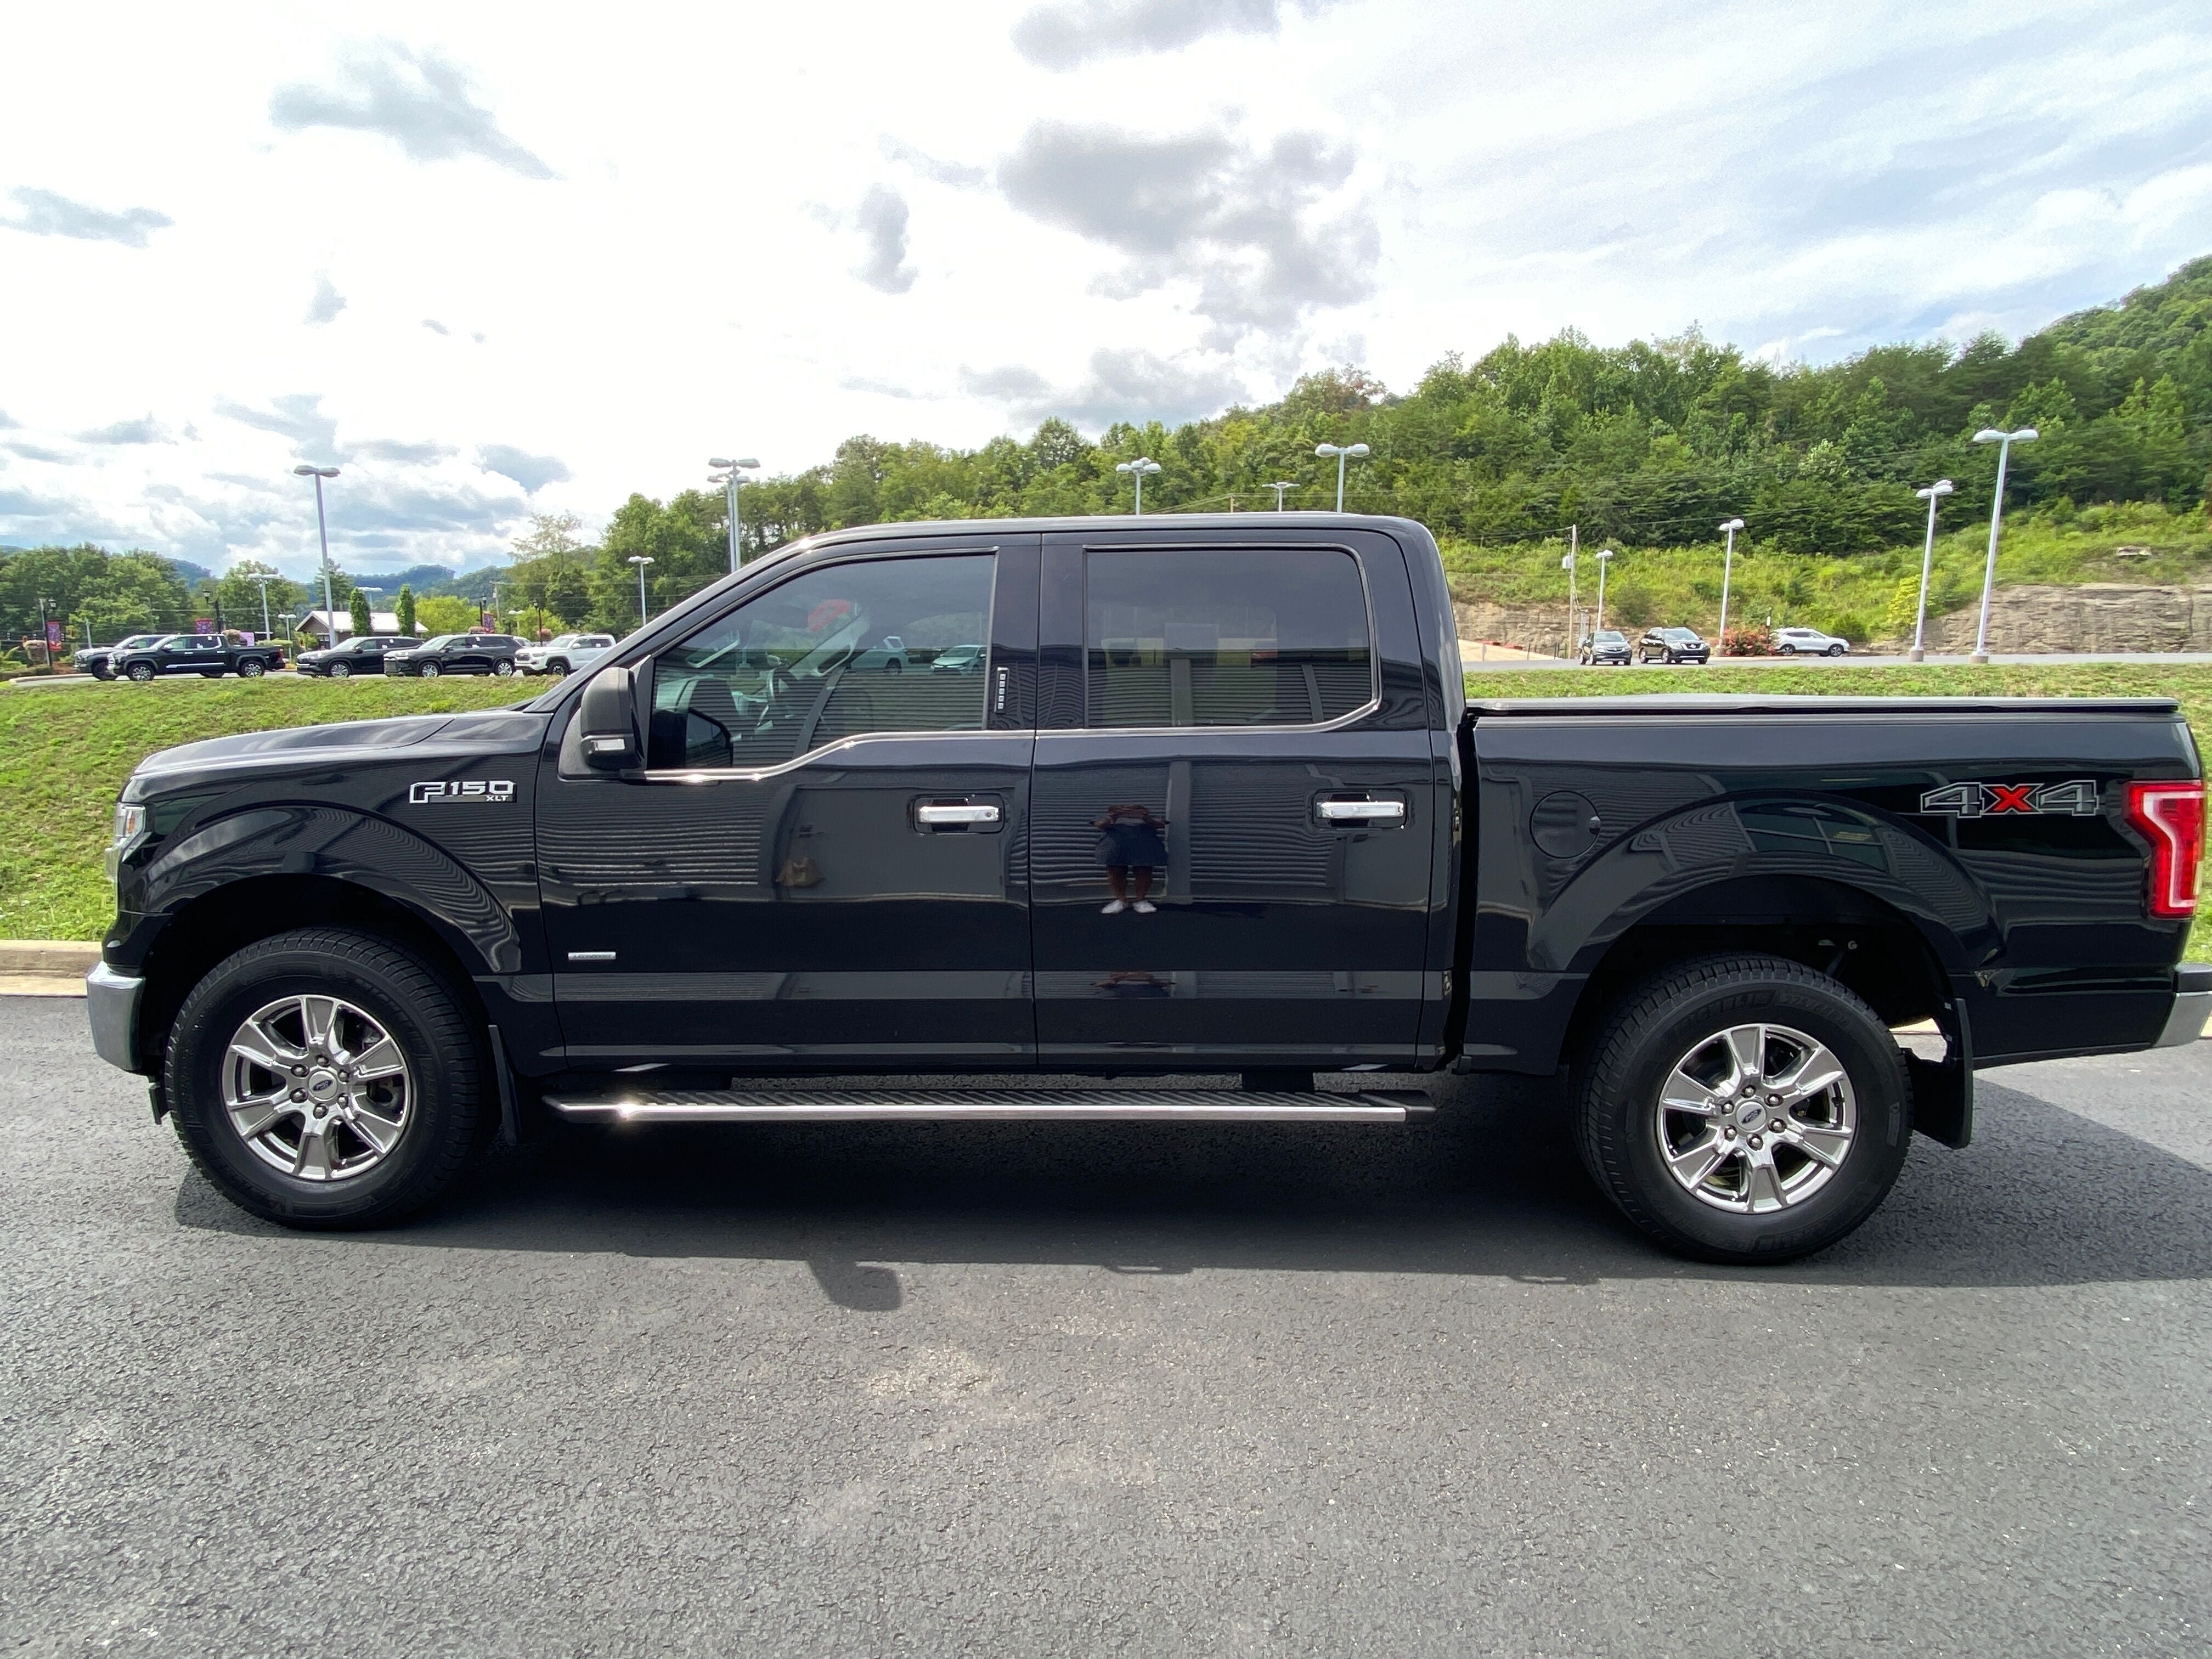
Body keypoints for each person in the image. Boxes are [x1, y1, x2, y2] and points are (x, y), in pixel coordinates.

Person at [1092, 802, 1166, 914]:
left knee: (1144, 870)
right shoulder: (1107, 817)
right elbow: (1099, 824)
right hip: (1116, 845)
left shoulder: (1151, 817)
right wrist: (1114, 818)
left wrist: (1145, 818)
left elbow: (1161, 824)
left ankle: (1141, 900)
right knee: (1116, 871)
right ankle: (1120, 900)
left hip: (1144, 845)